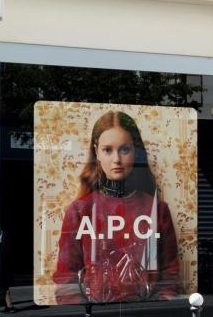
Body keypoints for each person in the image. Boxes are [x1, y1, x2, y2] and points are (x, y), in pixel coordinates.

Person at [52, 111, 180, 304]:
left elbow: (170, 274)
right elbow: (66, 280)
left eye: (124, 149)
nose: (117, 160)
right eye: (108, 150)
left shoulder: (157, 209)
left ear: (135, 151)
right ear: (97, 152)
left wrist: (156, 308)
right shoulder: (80, 210)